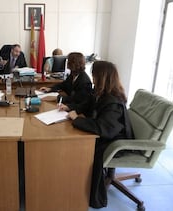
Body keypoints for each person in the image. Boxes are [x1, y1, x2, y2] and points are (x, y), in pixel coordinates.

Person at [66, 60, 134, 209]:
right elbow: (87, 105)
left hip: (115, 142)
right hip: (106, 133)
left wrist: (77, 119)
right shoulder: (101, 93)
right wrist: (70, 108)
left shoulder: (113, 102)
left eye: (94, 75)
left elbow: (102, 128)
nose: (92, 78)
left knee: (85, 149)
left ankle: (93, 196)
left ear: (102, 77)